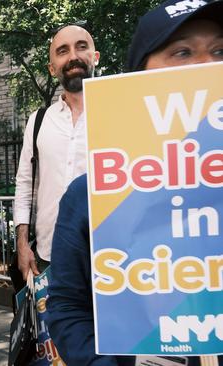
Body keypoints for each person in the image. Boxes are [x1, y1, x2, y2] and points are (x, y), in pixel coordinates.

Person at [47, 1, 223, 364]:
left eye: (221, 51)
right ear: (138, 77)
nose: (210, 66)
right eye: (183, 52)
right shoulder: (86, 197)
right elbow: (67, 308)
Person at [13, 23, 100, 284]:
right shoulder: (38, 121)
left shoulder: (121, 111)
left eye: (81, 47)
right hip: (49, 256)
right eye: (62, 51)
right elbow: (25, 184)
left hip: (110, 254)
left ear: (95, 57)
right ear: (52, 69)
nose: (73, 56)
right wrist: (22, 244)